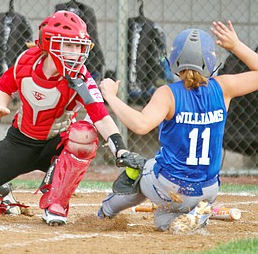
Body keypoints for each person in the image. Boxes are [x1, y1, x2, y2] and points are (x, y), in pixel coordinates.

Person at [0, 10, 134, 226]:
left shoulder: (80, 76)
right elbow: (4, 87)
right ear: (49, 42)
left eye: (79, 46)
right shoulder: (27, 62)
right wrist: (0, 106)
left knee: (83, 134)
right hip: (19, 143)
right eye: (68, 45)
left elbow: (100, 115)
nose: (75, 52)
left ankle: (56, 204)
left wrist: (120, 148)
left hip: (56, 146)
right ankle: (0, 197)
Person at [97, 21, 258, 233]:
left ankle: (106, 211)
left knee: (140, 167)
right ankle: (194, 217)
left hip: (171, 186)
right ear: (210, 61)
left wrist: (109, 96)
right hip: (208, 188)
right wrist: (236, 45)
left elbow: (140, 125)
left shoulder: (168, 93)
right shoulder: (223, 87)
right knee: (163, 220)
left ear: (175, 60)